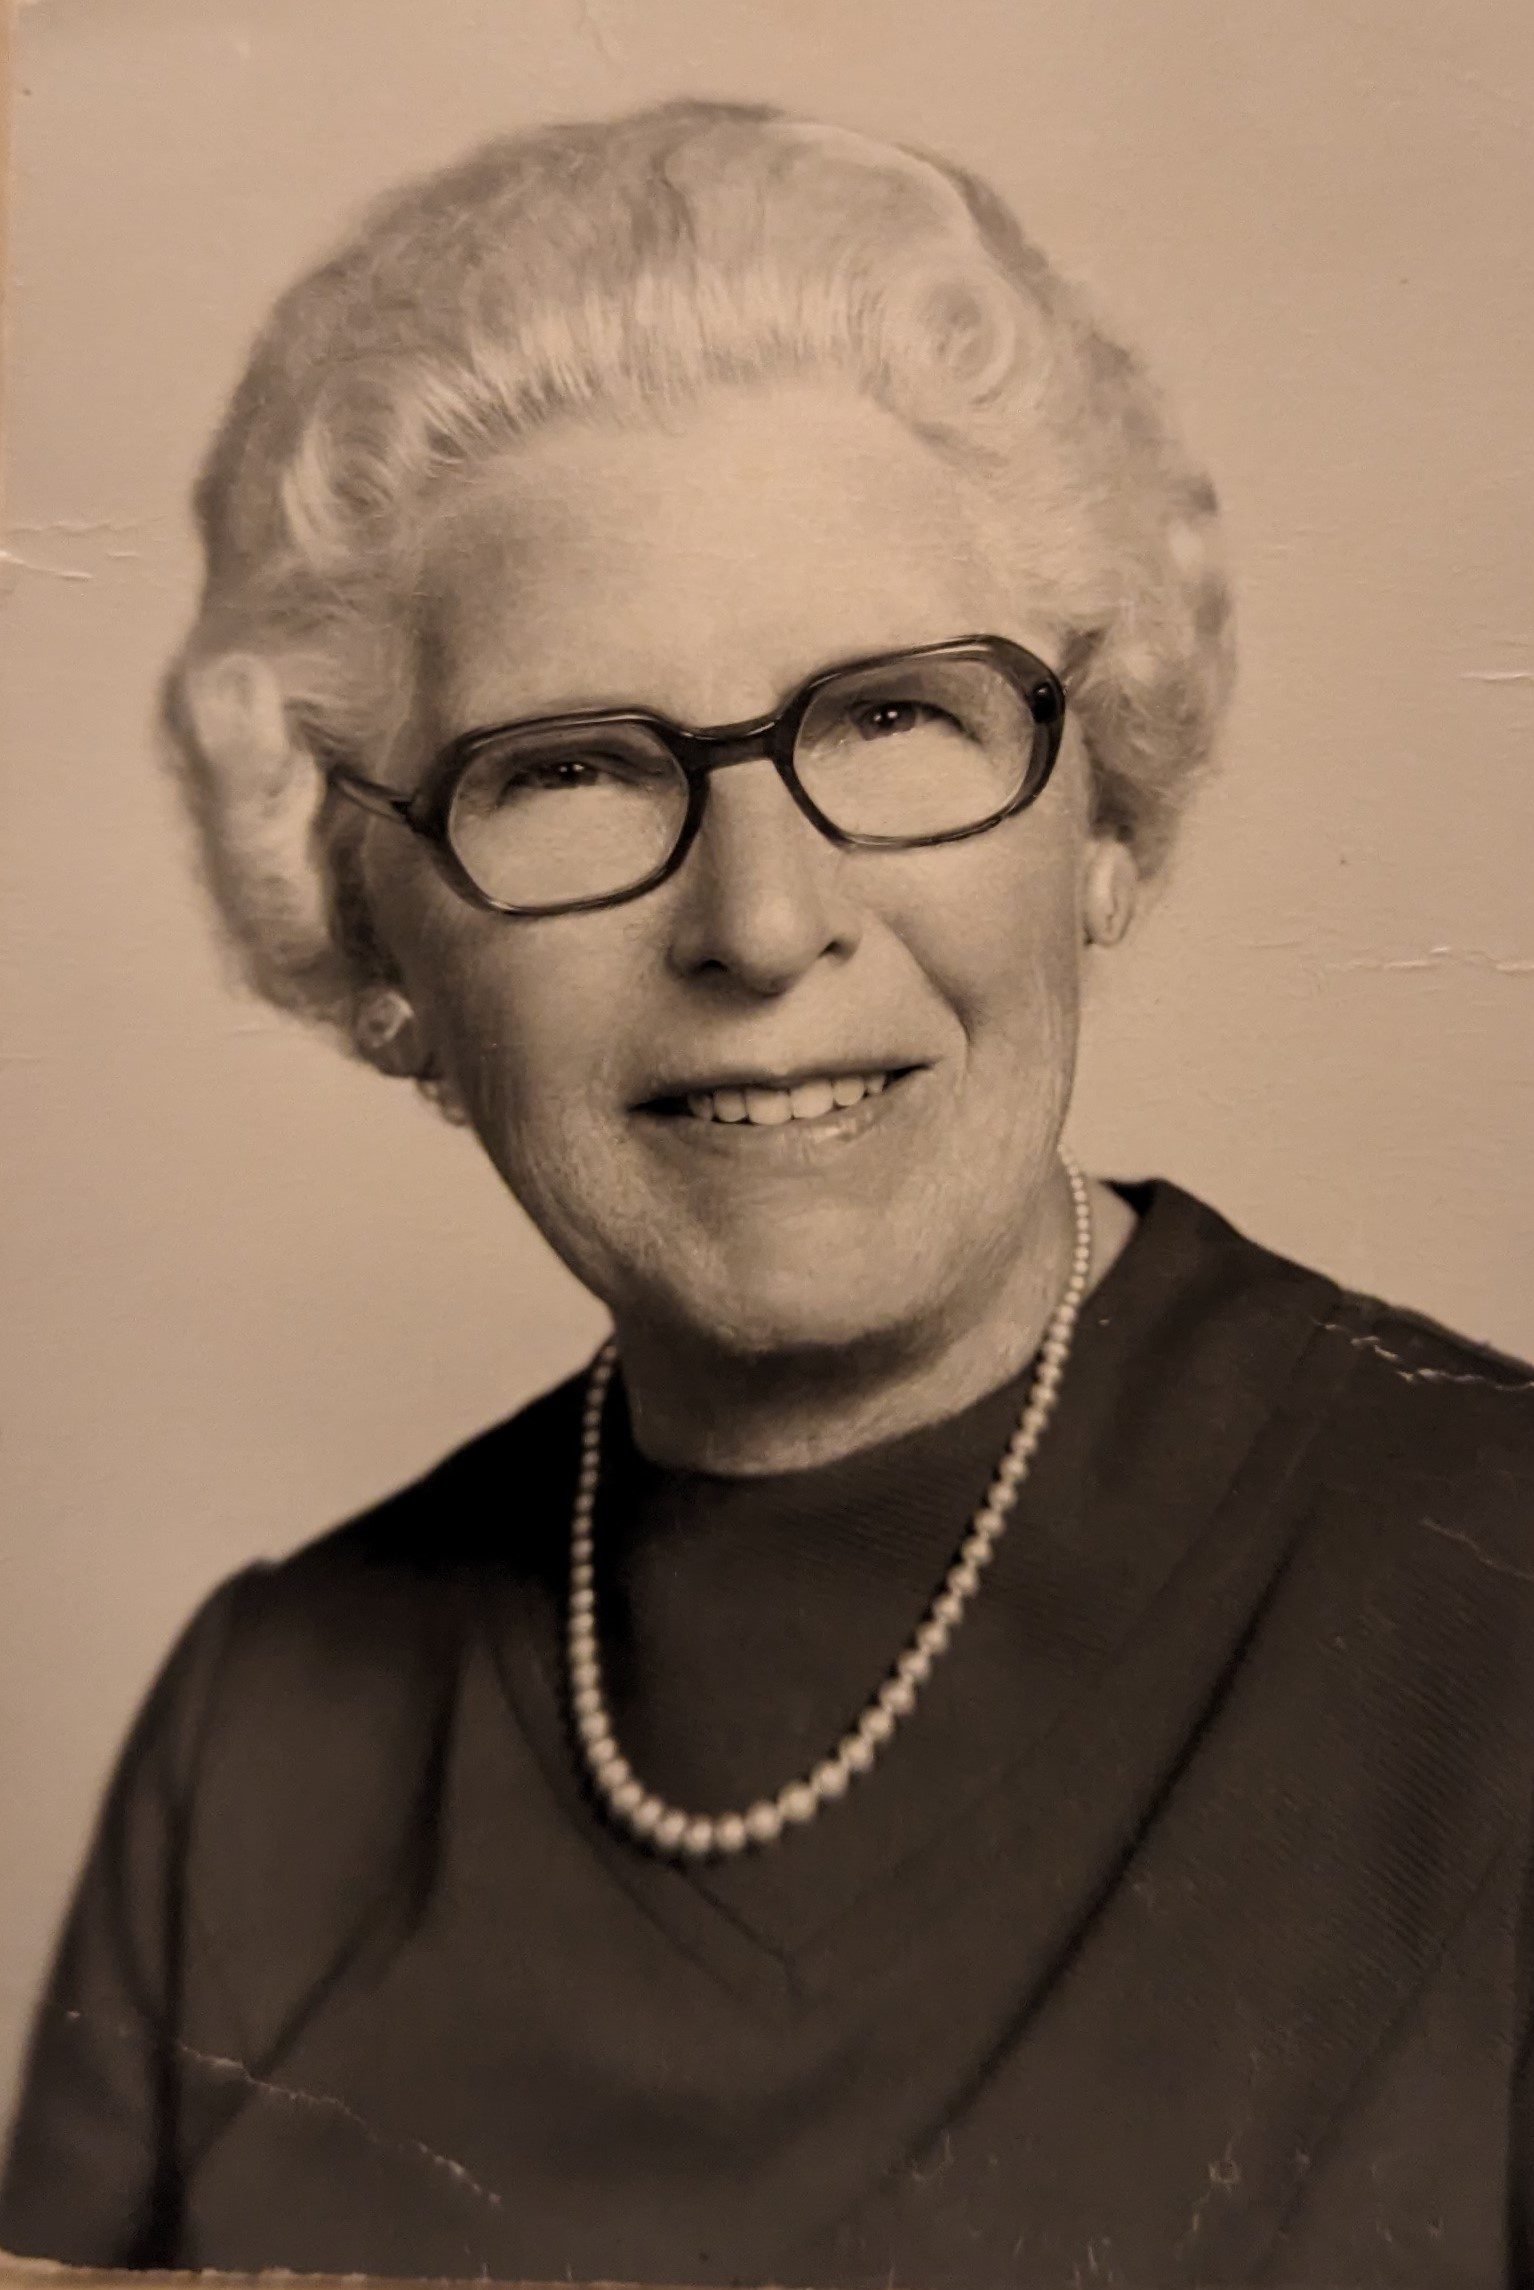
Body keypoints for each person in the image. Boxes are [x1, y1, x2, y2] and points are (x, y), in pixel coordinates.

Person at [2, 96, 1531, 2288]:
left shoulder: (1495, 1608)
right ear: (381, 949)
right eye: (567, 769)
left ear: (1097, 817)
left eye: (894, 717)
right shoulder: (266, 1725)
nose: (758, 917)